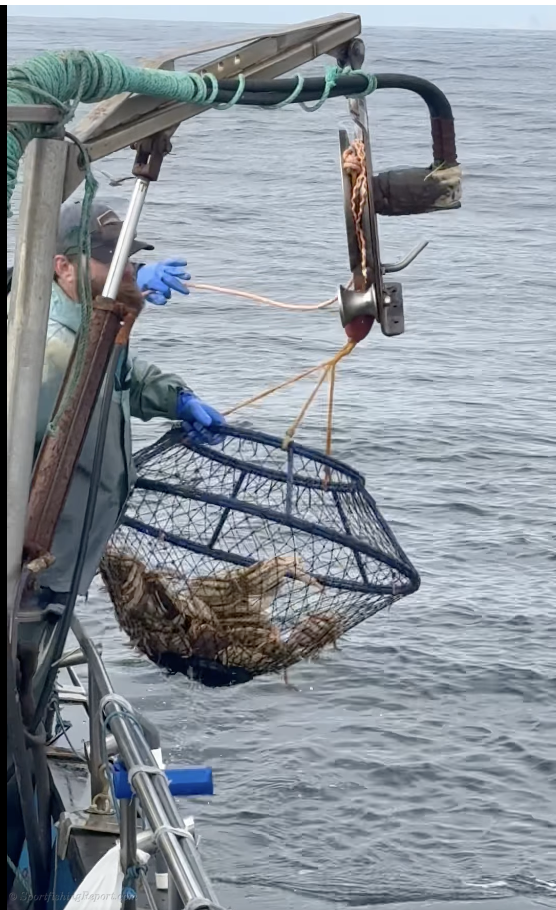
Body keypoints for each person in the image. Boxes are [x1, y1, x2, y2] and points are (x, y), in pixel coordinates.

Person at [20, 198, 225, 638]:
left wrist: (176, 399)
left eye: (128, 259)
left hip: (66, 564)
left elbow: (119, 380)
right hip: (30, 575)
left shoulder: (95, 329)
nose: (126, 270)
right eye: (110, 260)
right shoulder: (47, 353)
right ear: (63, 267)